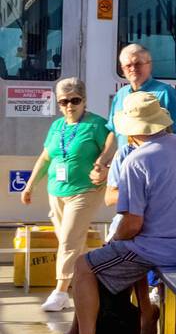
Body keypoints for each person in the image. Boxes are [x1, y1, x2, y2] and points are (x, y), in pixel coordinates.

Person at [63, 93, 176, 334]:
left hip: (164, 249)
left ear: (131, 131)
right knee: (118, 256)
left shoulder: (137, 160)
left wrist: (114, 241)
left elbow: (132, 224)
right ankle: (142, 315)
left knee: (84, 266)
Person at [19, 78, 110, 312]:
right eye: (64, 101)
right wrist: (30, 185)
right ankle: (89, 279)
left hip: (85, 191)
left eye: (75, 100)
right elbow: (46, 157)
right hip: (56, 191)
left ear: (84, 100)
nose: (69, 105)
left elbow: (112, 147)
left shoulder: (97, 125)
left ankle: (60, 292)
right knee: (71, 242)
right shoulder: (57, 126)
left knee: (69, 240)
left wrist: (102, 166)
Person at [91, 44, 176, 186]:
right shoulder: (120, 95)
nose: (133, 69)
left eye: (138, 63)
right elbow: (115, 134)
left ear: (149, 65)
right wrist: (101, 162)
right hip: (125, 170)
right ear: (122, 69)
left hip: (156, 172)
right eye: (128, 65)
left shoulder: (166, 93)